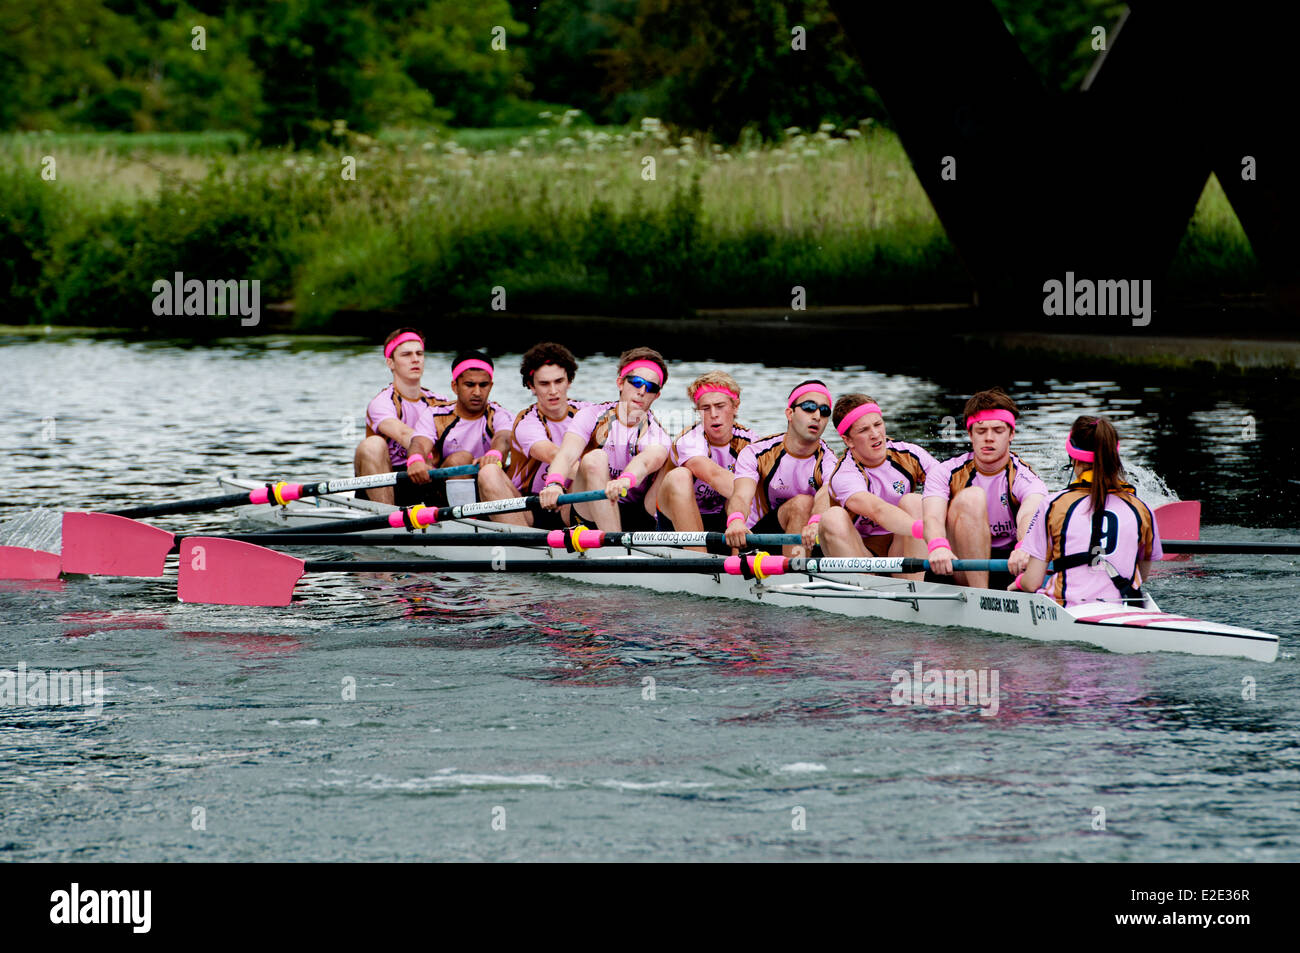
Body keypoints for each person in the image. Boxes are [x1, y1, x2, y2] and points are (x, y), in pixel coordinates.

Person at [1012, 416, 1163, 606]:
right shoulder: (1142, 509)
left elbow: (1032, 582)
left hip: (1067, 609)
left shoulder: (1052, 505)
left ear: (1073, 457)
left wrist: (1019, 582)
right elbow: (1143, 575)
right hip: (1123, 608)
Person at [923, 387, 1047, 590]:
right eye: (981, 431)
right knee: (971, 498)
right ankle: (979, 593)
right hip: (954, 564)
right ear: (970, 435)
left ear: (1011, 434)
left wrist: (1025, 545)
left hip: (1007, 565)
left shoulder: (1025, 478)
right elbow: (932, 517)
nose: (989, 438)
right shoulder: (944, 473)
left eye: (998, 431)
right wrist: (937, 545)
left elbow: (1030, 514)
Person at [537, 347, 672, 532]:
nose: (642, 391)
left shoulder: (658, 434)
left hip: (635, 514)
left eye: (651, 387)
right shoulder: (590, 416)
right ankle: (614, 543)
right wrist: (554, 483)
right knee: (595, 458)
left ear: (657, 395)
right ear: (620, 383)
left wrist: (625, 480)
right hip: (587, 508)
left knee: (675, 457)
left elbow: (645, 462)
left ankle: (616, 541)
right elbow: (567, 454)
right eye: (636, 382)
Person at [816, 394, 937, 580]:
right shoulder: (845, 474)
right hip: (862, 554)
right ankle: (865, 585)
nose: (875, 434)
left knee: (914, 501)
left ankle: (915, 586)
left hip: (901, 549)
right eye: (864, 430)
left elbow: (947, 486)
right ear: (848, 441)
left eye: (878, 424)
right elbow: (877, 510)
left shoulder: (910, 454)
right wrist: (925, 531)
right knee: (832, 517)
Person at [478, 342, 588, 528]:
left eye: (558, 381)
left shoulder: (588, 413)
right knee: (488, 472)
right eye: (544, 384)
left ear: (569, 381)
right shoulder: (526, 422)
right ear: (532, 386)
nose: (553, 391)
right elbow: (554, 455)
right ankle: (521, 538)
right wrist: (598, 478)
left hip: (568, 501)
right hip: (528, 507)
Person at [724, 379, 837, 558]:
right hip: (756, 539)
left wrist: (816, 522)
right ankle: (795, 570)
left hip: (808, 537)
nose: (817, 416)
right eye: (809, 407)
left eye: (824, 411)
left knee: (816, 509)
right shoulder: (757, 452)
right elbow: (741, 495)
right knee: (802, 503)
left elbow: (826, 493)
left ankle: (796, 567)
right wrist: (736, 520)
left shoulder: (830, 462)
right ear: (790, 413)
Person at [649, 371, 755, 544]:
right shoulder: (689, 440)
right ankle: (697, 556)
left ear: (735, 406)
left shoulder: (751, 442)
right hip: (675, 520)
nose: (713, 414)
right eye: (705, 408)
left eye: (720, 406)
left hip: (724, 517)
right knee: (680, 476)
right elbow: (714, 475)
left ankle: (738, 554)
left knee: (745, 485)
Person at [354, 328, 447, 506]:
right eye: (406, 354)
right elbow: (404, 434)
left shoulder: (440, 402)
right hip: (389, 483)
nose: (415, 359)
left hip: (426, 478)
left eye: (419, 353)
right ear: (390, 363)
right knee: (372, 445)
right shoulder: (382, 403)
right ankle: (385, 514)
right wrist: (422, 456)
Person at [410, 351, 513, 503]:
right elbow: (419, 442)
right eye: (469, 385)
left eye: (483, 385)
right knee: (461, 459)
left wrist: (495, 454)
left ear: (490, 386)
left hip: (488, 486)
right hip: (441, 491)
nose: (477, 392)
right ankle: (464, 514)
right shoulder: (435, 415)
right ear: (455, 386)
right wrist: (415, 460)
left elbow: (503, 438)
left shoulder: (500, 414)